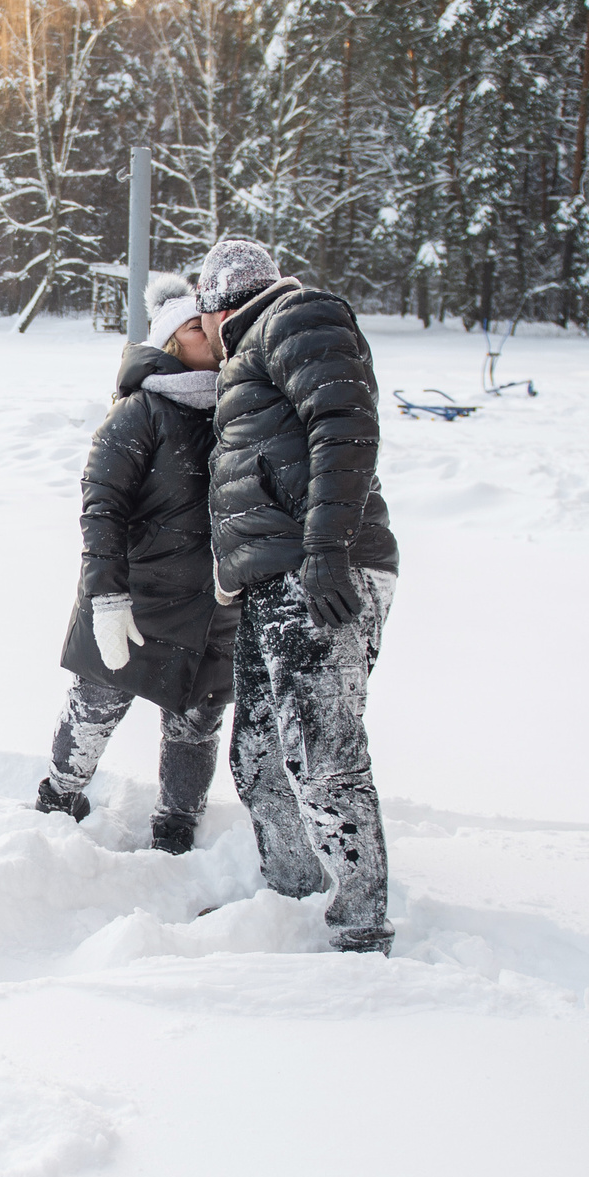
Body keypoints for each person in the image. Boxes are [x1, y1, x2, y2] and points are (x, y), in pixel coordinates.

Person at [196, 238, 401, 954]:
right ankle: (292, 895)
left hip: (322, 572)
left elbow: (344, 428)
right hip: (274, 579)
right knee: (257, 753)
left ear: (220, 301)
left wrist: (325, 550)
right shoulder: (254, 349)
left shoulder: (296, 316)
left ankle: (360, 927)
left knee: (322, 752)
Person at [34, 277, 241, 854]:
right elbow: (102, 508)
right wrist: (107, 597)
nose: (215, 334)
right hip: (138, 596)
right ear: (172, 341)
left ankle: (177, 826)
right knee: (96, 703)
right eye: (198, 327)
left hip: (210, 604)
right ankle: (59, 796)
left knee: (196, 724)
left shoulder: (238, 406)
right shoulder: (141, 410)